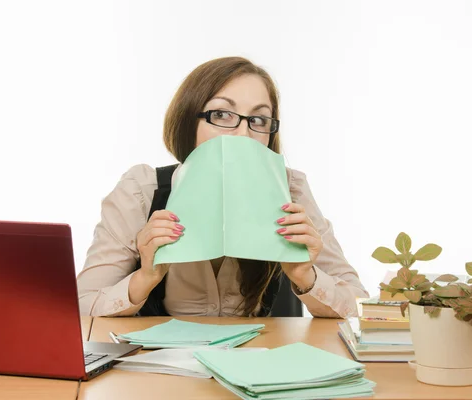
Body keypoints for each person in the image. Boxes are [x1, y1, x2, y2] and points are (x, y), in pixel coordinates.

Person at [77, 57, 368, 318]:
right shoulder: (141, 191)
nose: (242, 133)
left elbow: (361, 308)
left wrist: (306, 275)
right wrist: (145, 277)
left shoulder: (292, 190)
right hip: (162, 371)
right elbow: (81, 307)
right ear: (188, 122)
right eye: (222, 115)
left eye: (258, 119)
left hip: (260, 366)